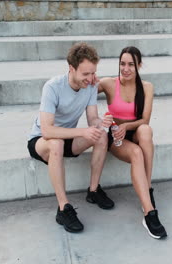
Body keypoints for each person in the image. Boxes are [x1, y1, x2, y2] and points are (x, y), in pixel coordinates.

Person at [27, 42, 114, 233]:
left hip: (69, 140)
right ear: (71, 69)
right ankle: (63, 208)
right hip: (42, 141)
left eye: (93, 73)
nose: (91, 78)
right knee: (56, 143)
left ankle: (93, 190)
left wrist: (102, 123)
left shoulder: (90, 86)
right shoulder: (52, 87)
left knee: (101, 136)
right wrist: (82, 132)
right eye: (85, 74)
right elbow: (48, 131)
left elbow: (92, 119)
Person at [98, 46, 167, 239]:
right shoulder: (109, 84)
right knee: (136, 153)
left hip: (133, 132)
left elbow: (144, 120)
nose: (125, 69)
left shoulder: (146, 87)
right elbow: (83, 88)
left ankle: (147, 188)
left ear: (139, 66)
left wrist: (126, 127)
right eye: (122, 64)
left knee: (146, 130)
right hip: (116, 138)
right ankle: (149, 213)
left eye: (131, 64)